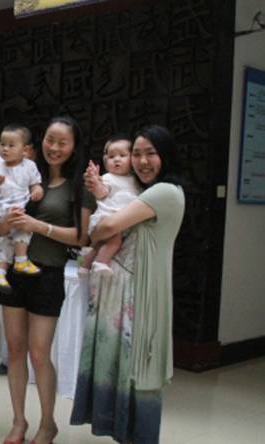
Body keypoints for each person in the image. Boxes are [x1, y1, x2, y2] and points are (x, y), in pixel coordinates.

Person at [70, 125, 185, 444]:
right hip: (122, 291)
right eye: (137, 153)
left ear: (166, 156)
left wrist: (98, 231)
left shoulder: (164, 192)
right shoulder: (138, 190)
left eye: (151, 153)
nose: (142, 161)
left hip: (141, 294)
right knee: (120, 371)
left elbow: (105, 226)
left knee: (139, 374)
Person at [0, 117, 95, 444]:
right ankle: (18, 421)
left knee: (39, 352)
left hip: (48, 274)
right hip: (15, 270)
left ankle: (48, 423)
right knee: (14, 350)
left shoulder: (78, 186)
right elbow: (0, 223)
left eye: (62, 142)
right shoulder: (24, 174)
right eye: (50, 140)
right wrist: (5, 220)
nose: (54, 147)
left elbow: (82, 237)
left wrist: (39, 227)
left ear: (74, 147)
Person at [0, 123, 43, 294]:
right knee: (21, 229)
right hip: (1, 209)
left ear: (25, 150)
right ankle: (21, 260)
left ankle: (0, 273)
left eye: (11, 145)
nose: (5, 149)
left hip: (18, 207)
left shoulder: (30, 166)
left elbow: (35, 184)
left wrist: (37, 191)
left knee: (9, 240)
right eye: (2, 144)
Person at [78, 135, 139, 276]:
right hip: (107, 217)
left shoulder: (133, 179)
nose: (116, 159)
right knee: (114, 242)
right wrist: (95, 182)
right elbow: (101, 193)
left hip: (120, 219)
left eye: (122, 155)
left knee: (100, 245)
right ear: (105, 162)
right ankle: (101, 263)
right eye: (111, 157)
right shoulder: (108, 178)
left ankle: (85, 266)